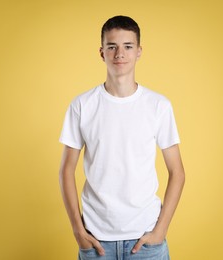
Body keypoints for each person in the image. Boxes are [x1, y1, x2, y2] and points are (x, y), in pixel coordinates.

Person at [59, 15, 185, 260]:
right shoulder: (82, 105)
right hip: (96, 242)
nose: (120, 54)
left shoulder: (158, 106)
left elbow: (177, 172)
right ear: (101, 52)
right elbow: (66, 170)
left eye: (128, 46)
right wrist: (77, 231)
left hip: (146, 239)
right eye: (112, 47)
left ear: (139, 51)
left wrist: (161, 230)